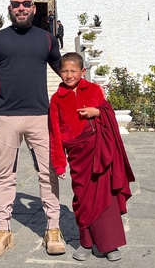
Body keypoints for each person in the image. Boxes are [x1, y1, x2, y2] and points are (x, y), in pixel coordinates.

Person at [0, 0, 65, 258]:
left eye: (27, 4)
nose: (22, 8)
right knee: (4, 176)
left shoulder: (47, 40)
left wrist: (84, 92)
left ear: (34, 9)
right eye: (16, 4)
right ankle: (3, 230)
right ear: (9, 8)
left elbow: (64, 70)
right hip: (6, 118)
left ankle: (53, 229)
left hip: (40, 117)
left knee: (48, 173)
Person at [49, 52, 134, 262]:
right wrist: (59, 164)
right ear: (59, 72)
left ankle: (109, 245)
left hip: (100, 153)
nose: (69, 75)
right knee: (83, 199)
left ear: (82, 71)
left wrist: (97, 112)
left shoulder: (95, 90)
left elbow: (107, 112)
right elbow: (55, 134)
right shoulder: (56, 99)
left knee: (106, 200)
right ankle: (86, 244)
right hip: (78, 156)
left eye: (73, 71)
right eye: (65, 71)